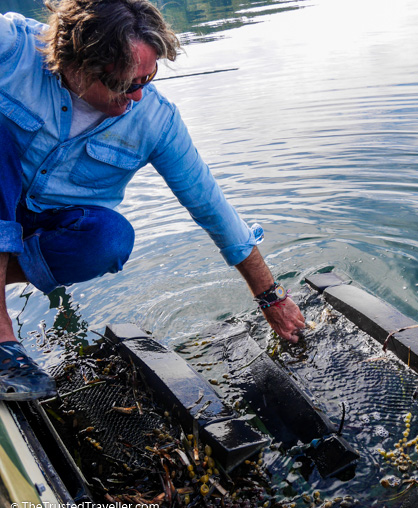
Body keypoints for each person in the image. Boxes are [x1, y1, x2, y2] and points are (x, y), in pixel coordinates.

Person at [0, 0, 305, 400]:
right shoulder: (12, 46)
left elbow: (213, 208)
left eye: (149, 77)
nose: (140, 96)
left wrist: (271, 297)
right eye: (127, 84)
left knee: (109, 238)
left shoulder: (156, 121)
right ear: (77, 65)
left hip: (42, 225)